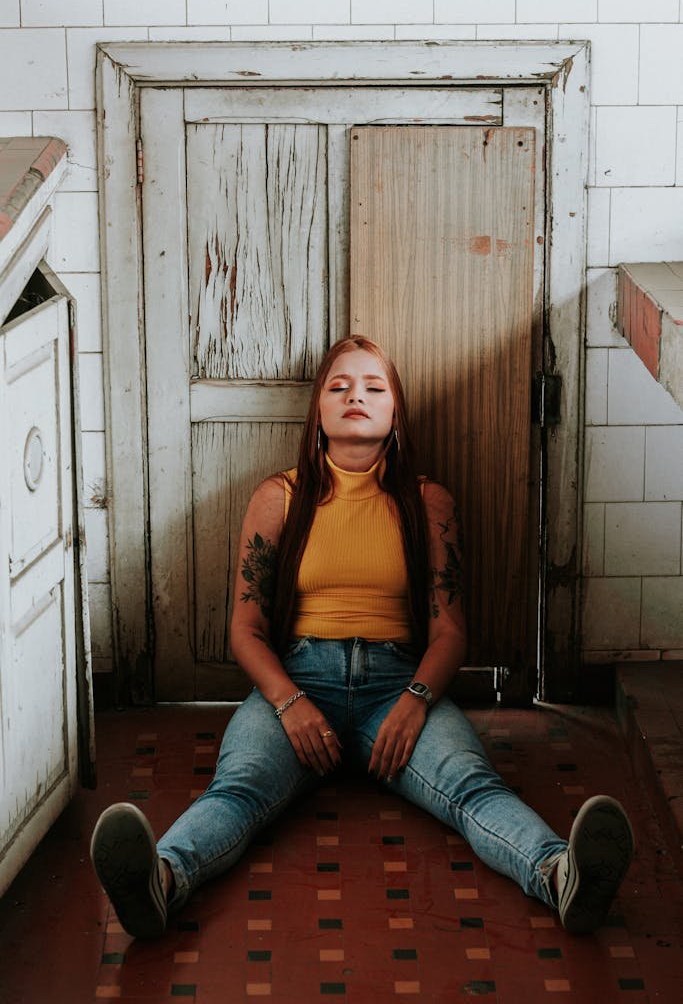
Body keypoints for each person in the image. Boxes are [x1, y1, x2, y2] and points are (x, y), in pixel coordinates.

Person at [90, 335, 634, 939]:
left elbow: (450, 631)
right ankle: (159, 883)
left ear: (395, 410)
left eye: (375, 388)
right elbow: (244, 629)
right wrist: (289, 704)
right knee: (237, 791)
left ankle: (562, 877)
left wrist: (415, 702)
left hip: (398, 683)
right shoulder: (279, 498)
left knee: (472, 788)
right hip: (299, 680)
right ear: (318, 409)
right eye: (339, 386)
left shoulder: (428, 502)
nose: (357, 396)